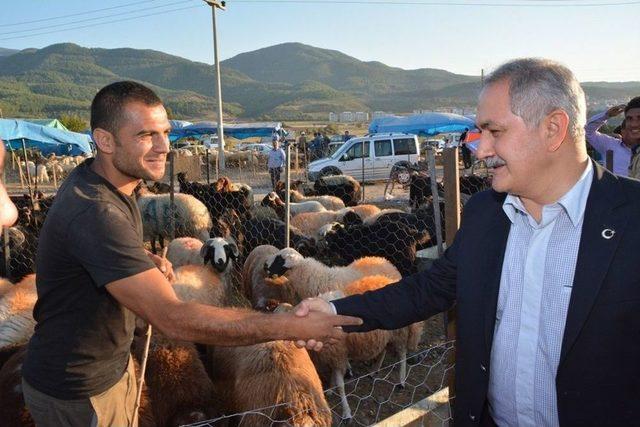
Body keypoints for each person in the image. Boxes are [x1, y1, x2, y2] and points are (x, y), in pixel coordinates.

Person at [295, 59, 640, 426]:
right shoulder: (485, 213)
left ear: (553, 128)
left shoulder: (631, 218)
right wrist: (334, 312)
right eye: (480, 132)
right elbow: (428, 289)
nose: (480, 150)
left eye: (494, 131)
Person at [20, 81, 360, 426]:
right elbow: (172, 317)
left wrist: (140, 260)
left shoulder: (104, 185)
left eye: (165, 132)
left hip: (105, 368)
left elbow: (89, 251)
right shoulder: (96, 212)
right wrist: (287, 325)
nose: (163, 146)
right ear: (105, 141)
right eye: (145, 135)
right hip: (79, 390)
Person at [584, 96, 640, 176]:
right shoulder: (610, 145)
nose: (634, 124)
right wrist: (607, 115)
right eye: (629, 119)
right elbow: (587, 131)